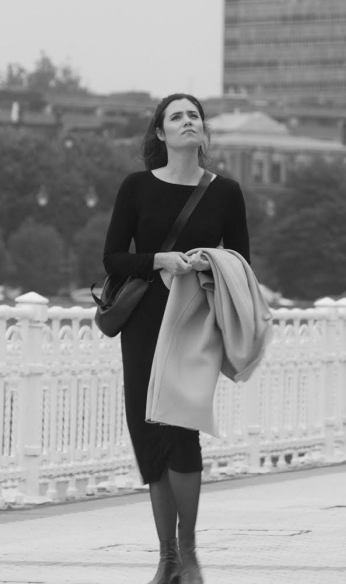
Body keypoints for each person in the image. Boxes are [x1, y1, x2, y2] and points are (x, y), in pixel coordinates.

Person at [103, 93, 250, 584]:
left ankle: (188, 554)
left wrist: (209, 260)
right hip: (144, 322)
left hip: (194, 322)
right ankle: (166, 559)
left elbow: (242, 263)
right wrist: (158, 260)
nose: (188, 122)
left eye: (194, 116)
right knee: (149, 432)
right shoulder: (136, 187)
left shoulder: (225, 192)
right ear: (161, 133)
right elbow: (113, 259)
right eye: (177, 116)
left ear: (203, 131)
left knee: (182, 428)